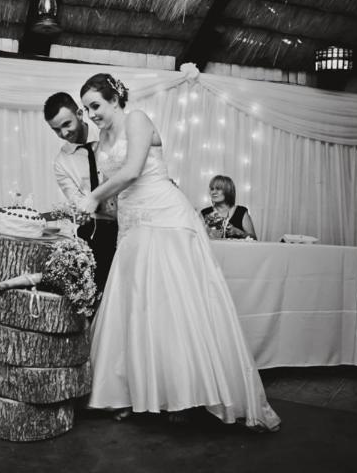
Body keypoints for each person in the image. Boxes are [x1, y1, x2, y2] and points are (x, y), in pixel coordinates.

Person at [75, 73, 280, 430]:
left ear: (115, 99)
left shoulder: (137, 120)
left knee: (173, 305)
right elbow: (116, 188)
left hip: (165, 217)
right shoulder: (102, 139)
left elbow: (133, 170)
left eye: (95, 106)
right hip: (132, 224)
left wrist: (93, 197)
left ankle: (184, 394)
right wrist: (96, 207)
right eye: (86, 109)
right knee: (136, 307)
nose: (91, 115)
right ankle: (130, 393)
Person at [43, 92, 118, 295]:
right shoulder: (61, 162)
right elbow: (77, 200)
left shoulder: (108, 133)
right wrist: (80, 211)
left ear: (79, 113)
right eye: (56, 129)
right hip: (96, 227)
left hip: (127, 218)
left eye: (66, 124)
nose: (64, 133)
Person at [200, 174, 258, 240]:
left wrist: (239, 232)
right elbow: (196, 239)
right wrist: (207, 232)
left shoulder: (241, 211)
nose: (213, 192)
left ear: (228, 191)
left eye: (218, 189)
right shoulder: (204, 213)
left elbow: (254, 239)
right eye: (212, 189)